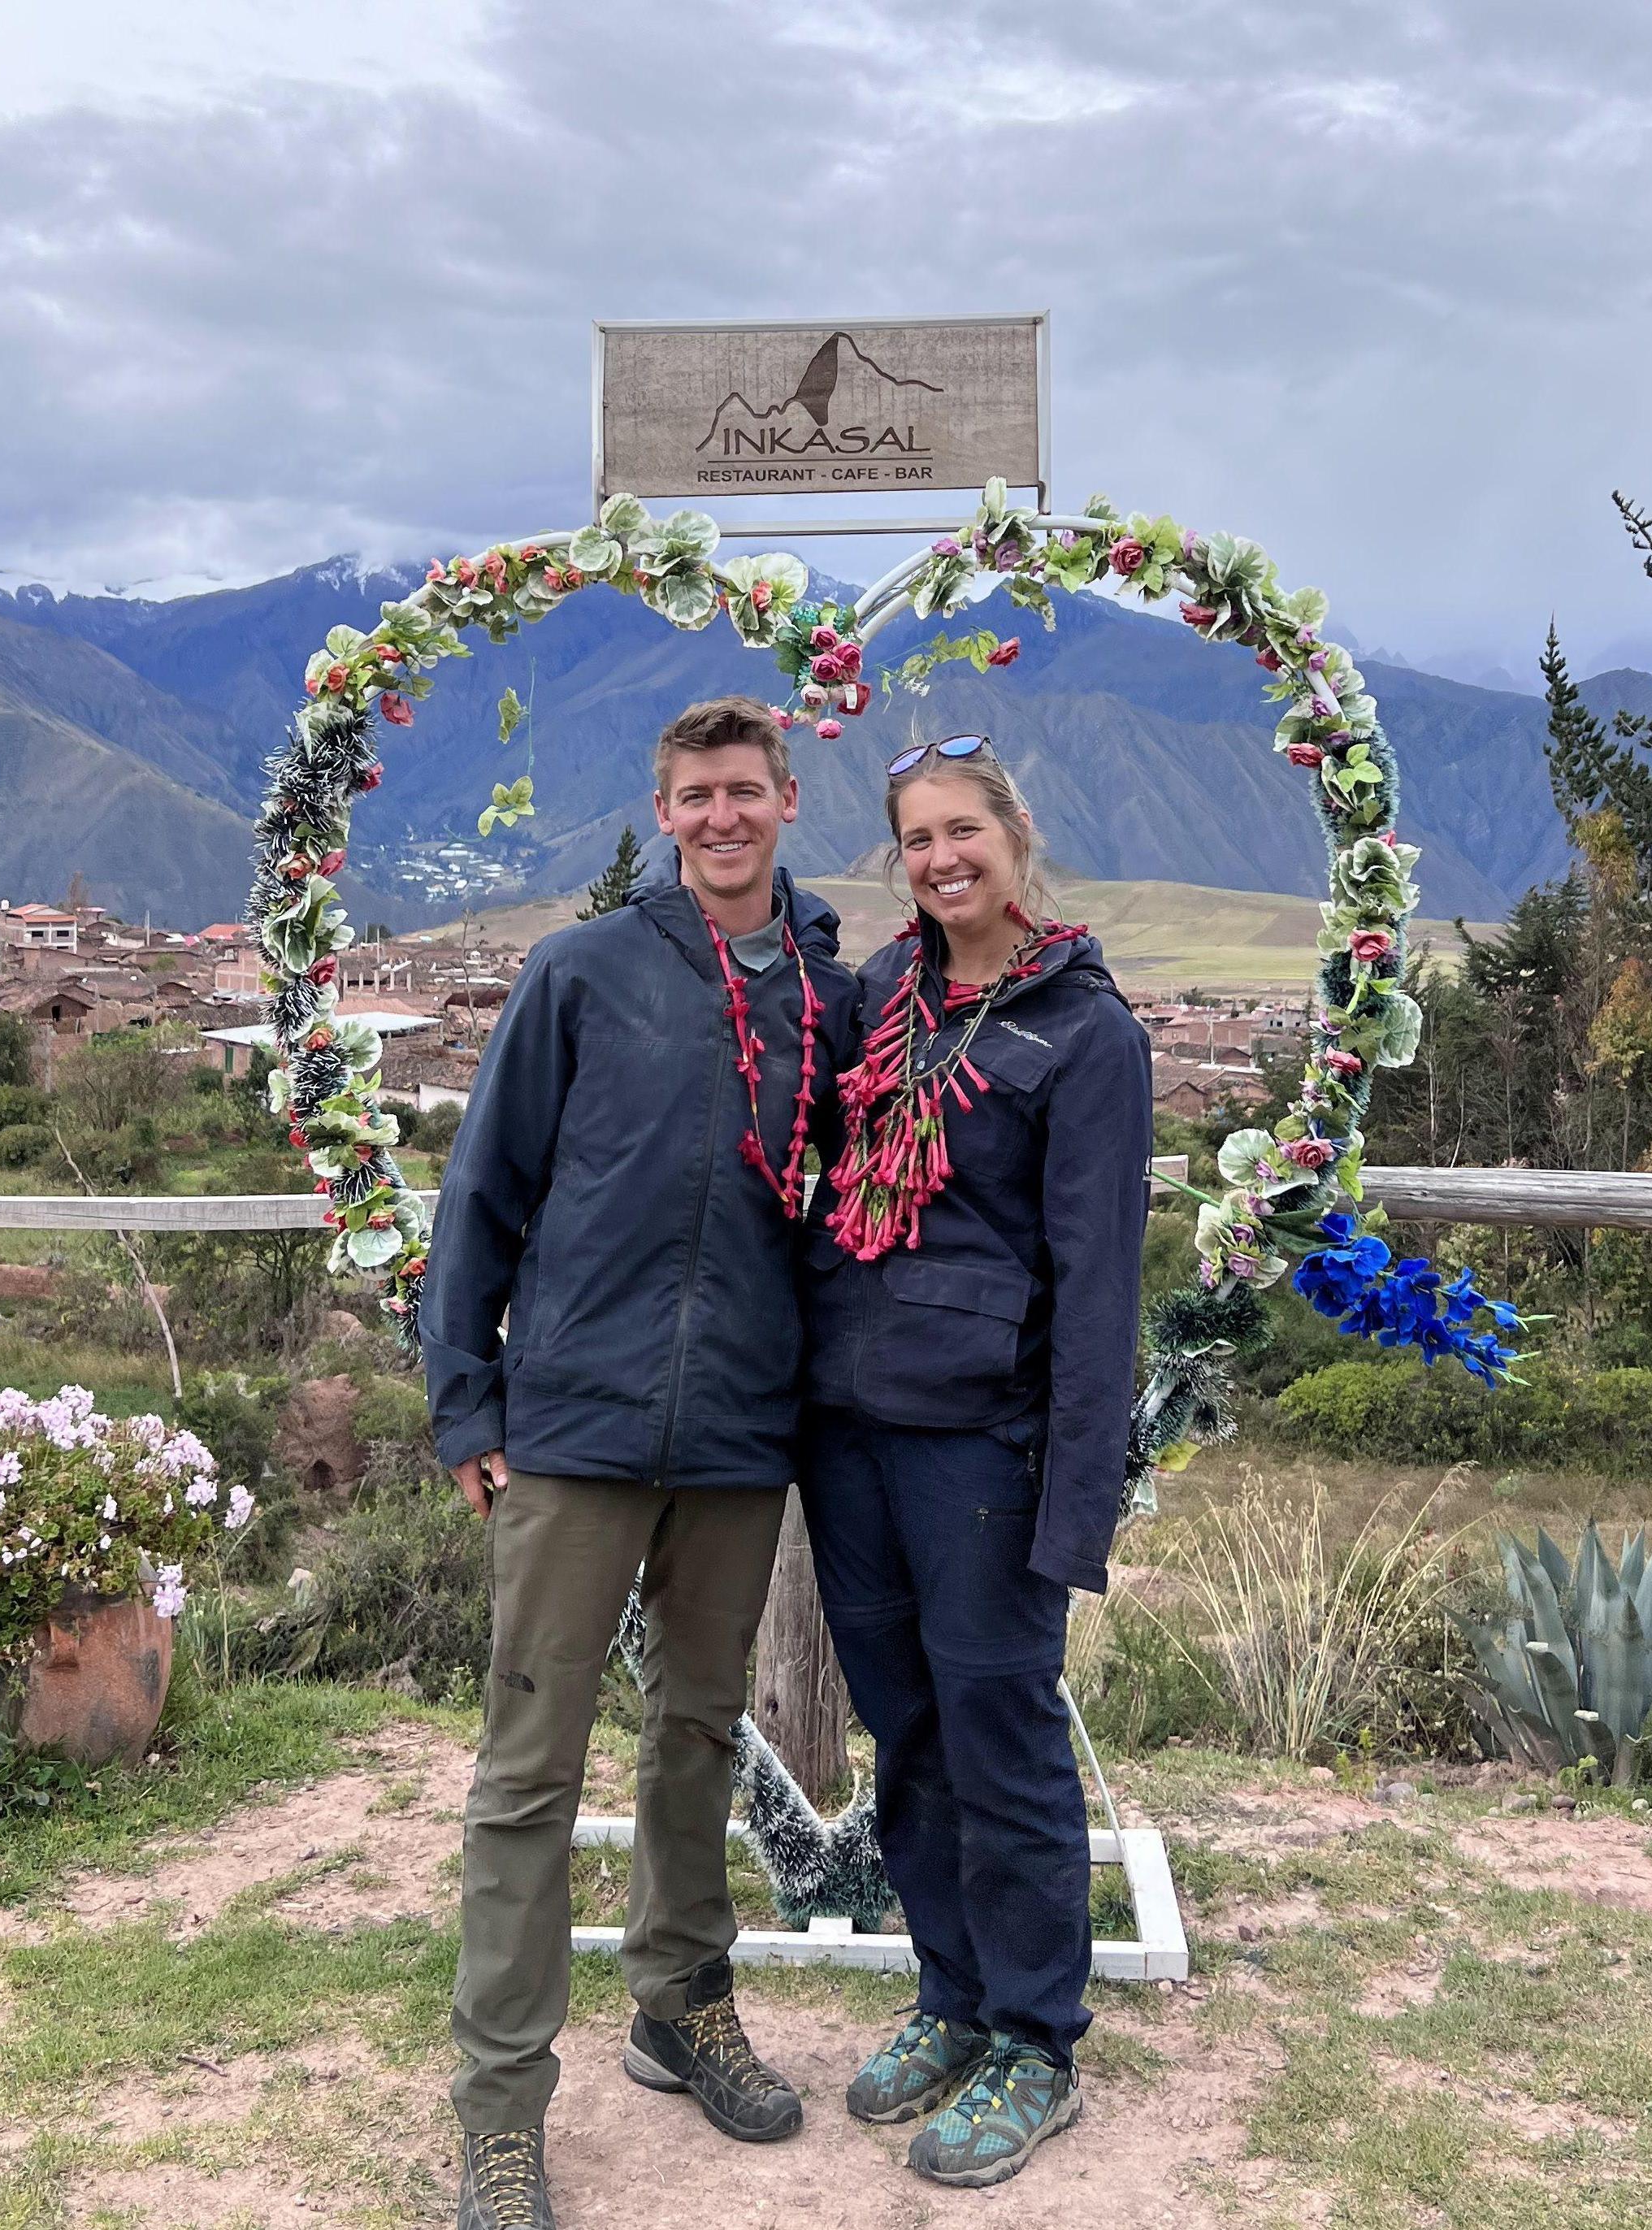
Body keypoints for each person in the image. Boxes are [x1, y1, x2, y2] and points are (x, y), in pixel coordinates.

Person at [423, 695, 859, 2230]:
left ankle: (680, 2003)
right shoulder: (584, 973)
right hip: (575, 1429)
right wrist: (466, 1403)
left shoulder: (836, 996)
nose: (723, 816)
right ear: (664, 813)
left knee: (698, 1736)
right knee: (528, 1773)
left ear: (786, 801)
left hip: (741, 1435)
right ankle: (499, 2108)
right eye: (696, 795)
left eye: (746, 790)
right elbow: (484, 1192)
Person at [797, 734, 1154, 2190]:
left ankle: (1035, 2040)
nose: (944, 860)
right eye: (917, 840)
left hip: (986, 1450)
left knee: (1003, 1744)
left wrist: (1079, 1509)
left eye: (966, 832)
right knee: (908, 1733)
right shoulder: (885, 998)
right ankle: (950, 1995)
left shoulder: (1086, 1034)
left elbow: (1099, 1287)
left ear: (1016, 833)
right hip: (852, 1432)